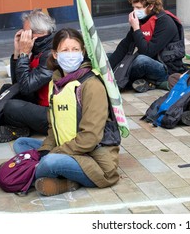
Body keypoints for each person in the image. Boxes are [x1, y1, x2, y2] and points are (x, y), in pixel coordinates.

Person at [12, 28, 120, 196]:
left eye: (75, 50)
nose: (71, 54)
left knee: (49, 161)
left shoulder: (91, 85)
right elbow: (52, 129)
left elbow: (90, 138)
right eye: (65, 50)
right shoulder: (55, 84)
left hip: (95, 158)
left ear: (83, 52)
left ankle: (35, 174)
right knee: (21, 144)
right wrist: (46, 149)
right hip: (68, 147)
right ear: (55, 54)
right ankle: (68, 180)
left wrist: (51, 153)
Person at [0, 9, 55, 143]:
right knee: (6, 89)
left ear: (36, 34)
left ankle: (19, 128)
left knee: (10, 106)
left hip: (51, 115)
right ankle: (19, 128)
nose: (21, 33)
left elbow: (25, 87)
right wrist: (17, 52)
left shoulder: (50, 55)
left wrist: (24, 54)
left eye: (25, 31)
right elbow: (17, 84)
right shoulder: (39, 48)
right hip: (38, 102)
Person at [109, 0, 185, 93]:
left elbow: (147, 52)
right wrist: (108, 69)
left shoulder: (165, 22)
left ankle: (148, 81)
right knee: (109, 56)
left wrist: (136, 29)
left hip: (165, 68)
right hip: (148, 62)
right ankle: (143, 81)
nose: (135, 11)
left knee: (140, 61)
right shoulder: (142, 19)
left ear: (151, 6)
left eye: (139, 8)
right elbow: (124, 46)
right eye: (133, 7)